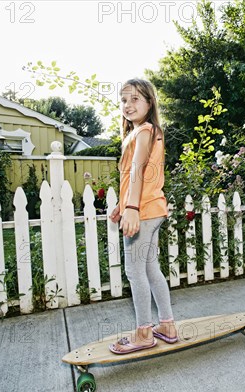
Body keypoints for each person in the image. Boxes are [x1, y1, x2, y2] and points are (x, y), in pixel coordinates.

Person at [109, 78, 178, 353]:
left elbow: (138, 170)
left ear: (150, 103)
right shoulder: (143, 131)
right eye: (124, 100)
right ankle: (167, 325)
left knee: (134, 271)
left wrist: (132, 209)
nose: (128, 104)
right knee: (150, 269)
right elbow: (133, 177)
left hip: (144, 211)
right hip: (151, 208)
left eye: (135, 99)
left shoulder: (144, 132)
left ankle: (143, 333)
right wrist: (122, 204)